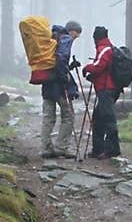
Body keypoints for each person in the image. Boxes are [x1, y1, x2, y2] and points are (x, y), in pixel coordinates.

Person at [41, 20, 82, 158]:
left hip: (46, 82)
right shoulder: (65, 38)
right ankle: (61, 147)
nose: (75, 38)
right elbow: (61, 59)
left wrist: (69, 67)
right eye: (76, 34)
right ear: (71, 31)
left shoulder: (52, 38)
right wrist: (65, 78)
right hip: (59, 86)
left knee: (48, 116)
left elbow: (55, 63)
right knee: (69, 115)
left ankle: (46, 148)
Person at [82, 25, 121, 159]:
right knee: (98, 119)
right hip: (106, 88)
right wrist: (93, 76)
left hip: (106, 90)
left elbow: (99, 66)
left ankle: (112, 149)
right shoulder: (107, 48)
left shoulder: (104, 49)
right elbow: (102, 69)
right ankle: (98, 149)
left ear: (96, 37)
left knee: (108, 119)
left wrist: (87, 68)